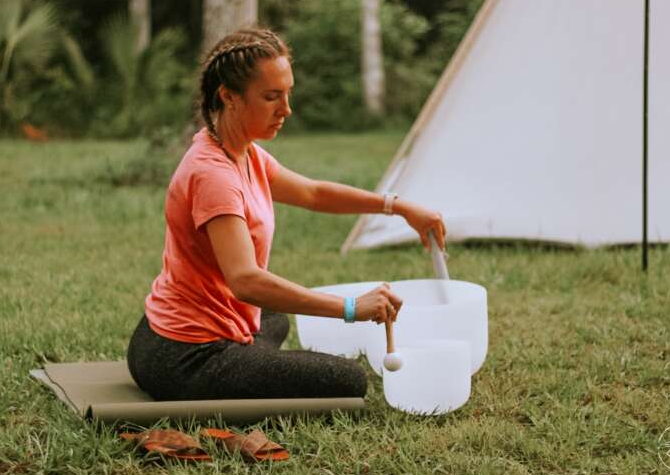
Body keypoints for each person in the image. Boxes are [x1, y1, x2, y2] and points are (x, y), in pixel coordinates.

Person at [126, 27, 446, 401]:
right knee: (346, 380)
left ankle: (249, 359)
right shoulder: (213, 175)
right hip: (185, 356)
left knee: (273, 317)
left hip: (168, 330)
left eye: (287, 93)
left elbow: (313, 193)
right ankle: (241, 362)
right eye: (271, 97)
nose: (286, 109)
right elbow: (245, 280)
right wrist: (351, 308)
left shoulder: (242, 151)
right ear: (228, 96)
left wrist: (398, 206)